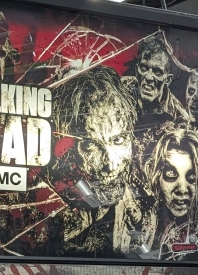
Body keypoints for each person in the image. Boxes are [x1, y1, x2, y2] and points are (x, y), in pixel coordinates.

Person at [47, 66, 154, 257]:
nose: (110, 164)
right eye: (91, 146)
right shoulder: (54, 213)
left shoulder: (144, 208)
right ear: (68, 150)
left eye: (118, 140)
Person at [142, 126, 198, 260]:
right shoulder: (145, 222)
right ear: (157, 176)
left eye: (192, 176)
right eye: (171, 174)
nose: (182, 189)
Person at [122, 32, 188, 134]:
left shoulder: (179, 119)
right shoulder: (120, 89)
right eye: (144, 68)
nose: (149, 77)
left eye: (157, 72)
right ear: (136, 71)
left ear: (168, 79)